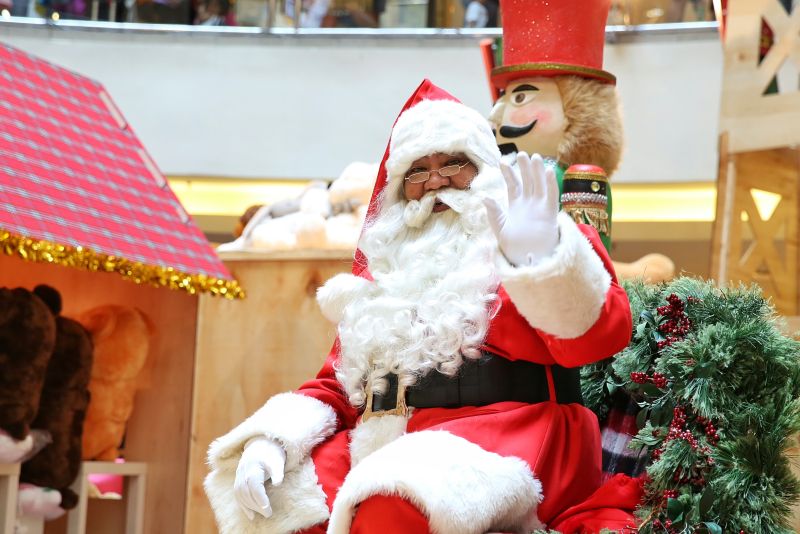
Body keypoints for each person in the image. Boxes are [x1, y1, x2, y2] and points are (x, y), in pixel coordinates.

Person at [204, 80, 641, 534]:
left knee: (394, 500)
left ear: (486, 170)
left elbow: (597, 338)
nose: (435, 181)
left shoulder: (526, 239)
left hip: (505, 444)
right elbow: (336, 386)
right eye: (418, 171)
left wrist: (540, 256)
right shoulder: (385, 278)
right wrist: (274, 442)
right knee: (275, 504)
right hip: (381, 444)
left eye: (454, 164)